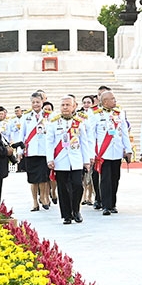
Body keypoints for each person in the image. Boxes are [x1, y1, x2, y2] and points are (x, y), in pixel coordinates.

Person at [47, 95, 92, 224]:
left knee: (78, 186)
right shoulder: (53, 122)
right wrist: (50, 159)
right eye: (63, 105)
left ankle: (76, 210)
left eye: (68, 105)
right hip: (60, 161)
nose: (65, 107)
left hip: (76, 160)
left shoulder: (79, 122)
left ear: (74, 107)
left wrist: (86, 160)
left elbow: (84, 142)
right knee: (63, 189)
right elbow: (49, 143)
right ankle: (66, 215)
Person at [93, 90, 132, 215]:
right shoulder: (95, 115)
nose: (115, 101)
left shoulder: (119, 114)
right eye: (113, 99)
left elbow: (124, 133)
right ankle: (105, 205)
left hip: (117, 151)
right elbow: (91, 136)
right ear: (105, 101)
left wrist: (128, 150)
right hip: (104, 153)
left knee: (115, 178)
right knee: (105, 179)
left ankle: (113, 204)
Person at [19, 92, 52, 211]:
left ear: (42, 102)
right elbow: (21, 135)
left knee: (43, 177)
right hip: (31, 151)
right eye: (33, 102)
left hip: (44, 151)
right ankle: (34, 202)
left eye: (38, 102)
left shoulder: (49, 116)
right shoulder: (25, 116)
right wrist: (19, 151)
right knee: (32, 179)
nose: (35, 104)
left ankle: (43, 197)